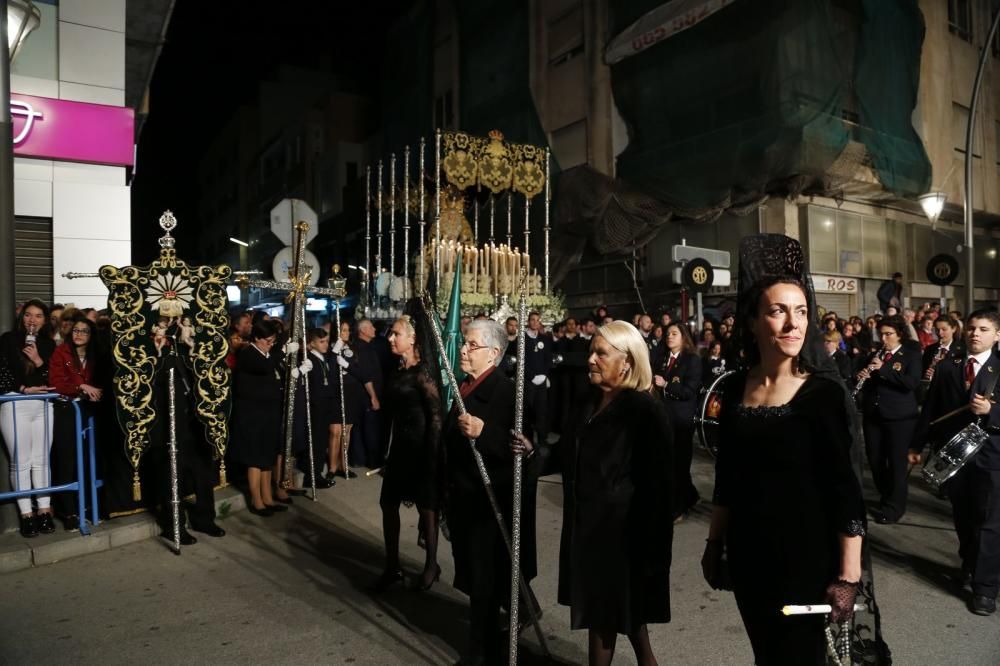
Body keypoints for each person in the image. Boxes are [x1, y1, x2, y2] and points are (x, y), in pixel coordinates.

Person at [703, 234, 866, 664]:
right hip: (749, 553)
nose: (794, 324)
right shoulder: (737, 388)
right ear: (753, 321)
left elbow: (844, 489)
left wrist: (849, 577)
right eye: (778, 311)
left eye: (801, 312)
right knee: (766, 655)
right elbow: (729, 475)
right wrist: (714, 541)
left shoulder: (822, 396)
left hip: (806, 559)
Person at [558, 320, 673, 666]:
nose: (591, 359)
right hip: (590, 529)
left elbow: (659, 487)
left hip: (622, 537)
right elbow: (570, 452)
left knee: (604, 617)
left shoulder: (644, 410)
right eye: (591, 351)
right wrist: (532, 450)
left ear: (628, 361)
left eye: (601, 353)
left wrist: (649, 550)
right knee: (621, 614)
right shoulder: (589, 401)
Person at [444, 318, 539, 664]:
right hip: (465, 500)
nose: (464, 350)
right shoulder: (464, 386)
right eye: (465, 344)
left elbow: (524, 450)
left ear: (494, 353)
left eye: (471, 345)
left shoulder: (507, 392)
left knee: (485, 585)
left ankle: (480, 654)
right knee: (476, 581)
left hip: (490, 504)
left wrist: (485, 432)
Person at [911, 310, 1000, 615]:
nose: (976, 333)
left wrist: (991, 410)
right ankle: (971, 564)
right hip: (954, 456)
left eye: (984, 329)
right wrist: (916, 444)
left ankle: (986, 588)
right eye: (972, 328)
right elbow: (931, 409)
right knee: (964, 518)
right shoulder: (950, 366)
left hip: (991, 456)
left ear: (997, 335)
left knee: (990, 523)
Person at [375, 313, 444, 592]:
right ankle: (392, 565)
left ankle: (431, 564)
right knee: (388, 503)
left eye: (396, 334)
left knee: (427, 507)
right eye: (390, 334)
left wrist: (433, 456)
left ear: (413, 339)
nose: (391, 338)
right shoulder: (397, 372)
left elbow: (437, 417)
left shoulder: (423, 373)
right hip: (400, 450)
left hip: (422, 449)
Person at [0, 300, 57, 538]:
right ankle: (26, 515)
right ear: (22, 317)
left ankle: (44, 511)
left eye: (38, 316)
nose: (32, 320)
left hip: (43, 405)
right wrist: (24, 389)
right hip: (15, 404)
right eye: (28, 315)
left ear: (45, 320)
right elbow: (3, 374)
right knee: (21, 461)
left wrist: (37, 360)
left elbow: (52, 378)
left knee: (42, 460)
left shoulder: (49, 345)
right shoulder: (8, 340)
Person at [857, 315, 921, 524]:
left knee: (896, 464)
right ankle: (887, 495)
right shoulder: (877, 353)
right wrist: (863, 377)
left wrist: (882, 370)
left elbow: (911, 383)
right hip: (874, 415)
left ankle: (894, 506)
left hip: (899, 417)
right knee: (875, 461)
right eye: (881, 334)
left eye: (888, 334)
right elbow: (872, 383)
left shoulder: (910, 354)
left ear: (899, 334)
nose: (884, 338)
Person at [228, 318, 287, 516]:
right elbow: (265, 366)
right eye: (267, 341)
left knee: (267, 457)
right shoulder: (249, 354)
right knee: (255, 457)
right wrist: (283, 352)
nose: (270, 344)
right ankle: (257, 501)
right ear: (256, 338)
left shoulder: (267, 353)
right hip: (252, 414)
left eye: (273, 341)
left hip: (268, 412)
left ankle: (268, 498)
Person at [48, 315, 103, 529]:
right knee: (66, 460)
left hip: (90, 411)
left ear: (91, 335)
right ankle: (68, 512)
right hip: (66, 410)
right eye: (76, 330)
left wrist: (96, 389)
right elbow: (56, 382)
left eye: (85, 331)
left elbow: (101, 382)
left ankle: (89, 507)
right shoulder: (61, 352)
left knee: (90, 461)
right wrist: (81, 387)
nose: (79, 334)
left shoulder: (97, 355)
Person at [651, 321, 702, 520]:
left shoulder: (692, 360)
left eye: (674, 333)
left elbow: (689, 391)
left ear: (683, 337)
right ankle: (690, 496)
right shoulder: (663, 358)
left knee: (679, 464)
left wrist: (666, 386)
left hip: (681, 420)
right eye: (667, 334)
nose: (669, 337)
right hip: (664, 417)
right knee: (670, 462)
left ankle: (678, 509)